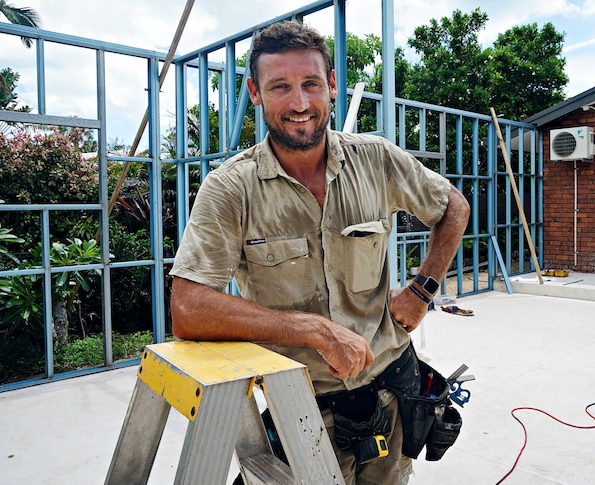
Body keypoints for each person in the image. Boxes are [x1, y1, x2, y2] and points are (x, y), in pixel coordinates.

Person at [169, 20, 470, 484]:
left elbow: (454, 206)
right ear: (255, 92)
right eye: (280, 87)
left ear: (331, 85)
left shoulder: (377, 159)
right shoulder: (230, 188)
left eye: (311, 83)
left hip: (392, 394)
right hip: (302, 410)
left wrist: (423, 288)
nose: (299, 103)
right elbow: (189, 307)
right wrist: (312, 330)